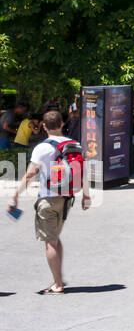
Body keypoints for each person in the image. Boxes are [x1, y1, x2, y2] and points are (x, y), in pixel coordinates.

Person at [8, 110, 92, 295]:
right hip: (67, 199)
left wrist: (16, 194)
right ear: (62, 124)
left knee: (50, 241)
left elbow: (30, 174)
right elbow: (82, 171)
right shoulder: (75, 144)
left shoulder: (42, 147)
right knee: (55, 238)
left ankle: (57, 284)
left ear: (44, 126)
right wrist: (86, 196)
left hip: (47, 198)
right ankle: (59, 278)